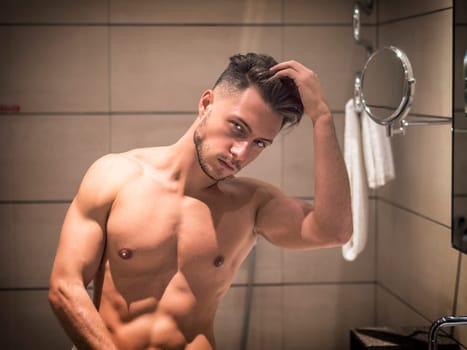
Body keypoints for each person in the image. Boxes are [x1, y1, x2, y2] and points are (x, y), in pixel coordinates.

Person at [48, 53, 352, 350]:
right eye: (238, 128)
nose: (242, 153)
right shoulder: (116, 175)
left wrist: (322, 116)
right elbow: (65, 287)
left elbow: (333, 231)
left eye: (260, 143)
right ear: (206, 104)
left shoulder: (251, 204)